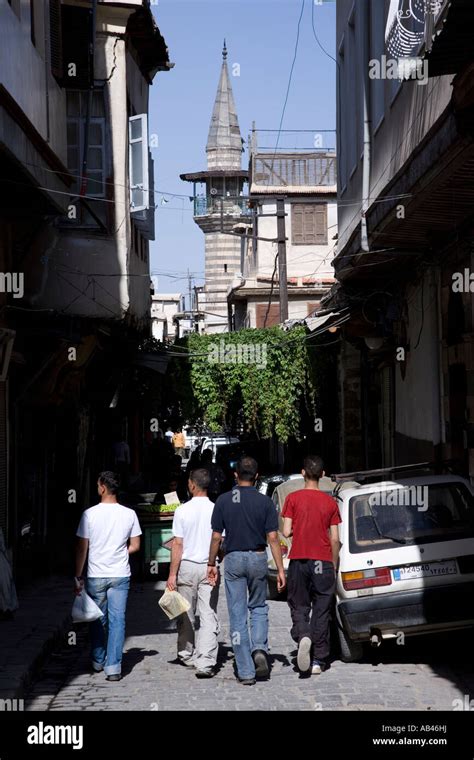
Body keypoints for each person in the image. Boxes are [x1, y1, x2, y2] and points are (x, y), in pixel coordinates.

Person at [208, 456, 286, 685]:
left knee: (237, 614)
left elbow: (215, 538)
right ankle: (259, 648)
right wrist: (280, 569)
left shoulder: (223, 500)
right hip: (258, 557)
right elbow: (273, 538)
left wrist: (211, 562)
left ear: (235, 475)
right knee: (259, 606)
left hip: (232, 559)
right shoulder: (265, 502)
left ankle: (245, 671)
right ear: (257, 476)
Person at [75, 471, 142, 681]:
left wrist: (77, 575)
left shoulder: (89, 514)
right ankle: (113, 667)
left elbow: (82, 548)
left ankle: (98, 659)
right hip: (120, 574)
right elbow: (136, 545)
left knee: (97, 618)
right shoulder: (129, 514)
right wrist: (120, 552)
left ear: (103, 487)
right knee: (118, 619)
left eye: (97, 485)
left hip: (96, 574)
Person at [281, 455, 341, 675]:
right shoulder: (330, 503)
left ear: (303, 473)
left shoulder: (293, 499)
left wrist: (300, 528)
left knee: (299, 604)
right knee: (322, 610)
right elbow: (335, 539)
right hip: (323, 562)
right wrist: (333, 565)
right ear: (323, 475)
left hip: (299, 560)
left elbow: (286, 531)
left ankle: (303, 634)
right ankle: (319, 660)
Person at [166, 468, 220, 678]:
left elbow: (178, 545)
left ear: (192, 485)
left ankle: (187, 653)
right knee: (208, 614)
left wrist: (172, 575)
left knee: (185, 612)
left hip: (187, 566)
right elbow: (219, 540)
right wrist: (214, 562)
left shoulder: (182, 510)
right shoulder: (216, 509)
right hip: (209, 565)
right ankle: (205, 661)